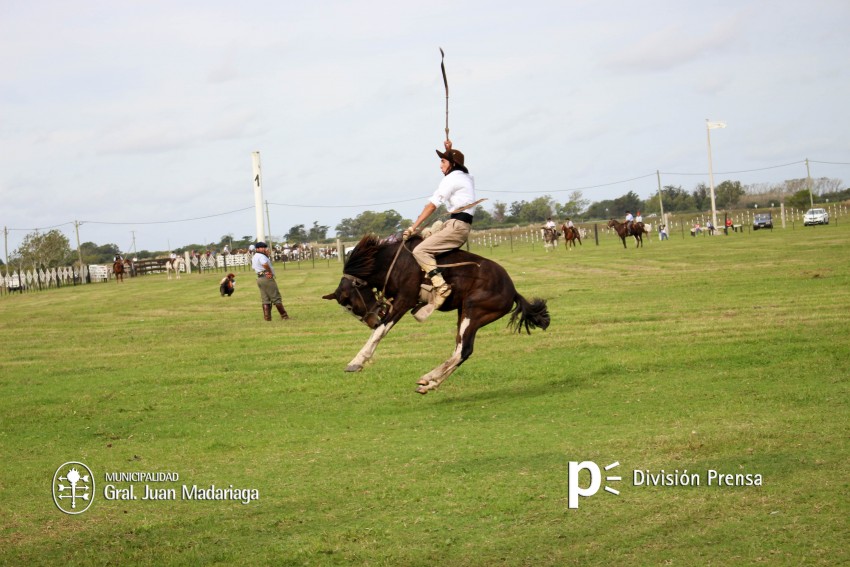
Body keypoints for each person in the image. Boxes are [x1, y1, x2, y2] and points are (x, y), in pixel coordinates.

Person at [403, 139, 476, 322]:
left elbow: (432, 206)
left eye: (443, 161)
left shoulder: (451, 179)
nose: (440, 165)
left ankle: (441, 287)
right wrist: (449, 152)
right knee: (425, 236)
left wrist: (414, 227)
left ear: (452, 165)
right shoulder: (466, 177)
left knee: (419, 250)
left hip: (456, 227)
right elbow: (460, 167)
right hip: (454, 224)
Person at [251, 242, 290, 321]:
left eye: (265, 247)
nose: (264, 249)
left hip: (259, 278)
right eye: (262, 248)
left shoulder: (255, 256)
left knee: (265, 299)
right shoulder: (262, 256)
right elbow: (264, 264)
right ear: (257, 249)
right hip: (266, 277)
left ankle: (267, 318)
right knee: (276, 297)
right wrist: (269, 272)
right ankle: (284, 316)